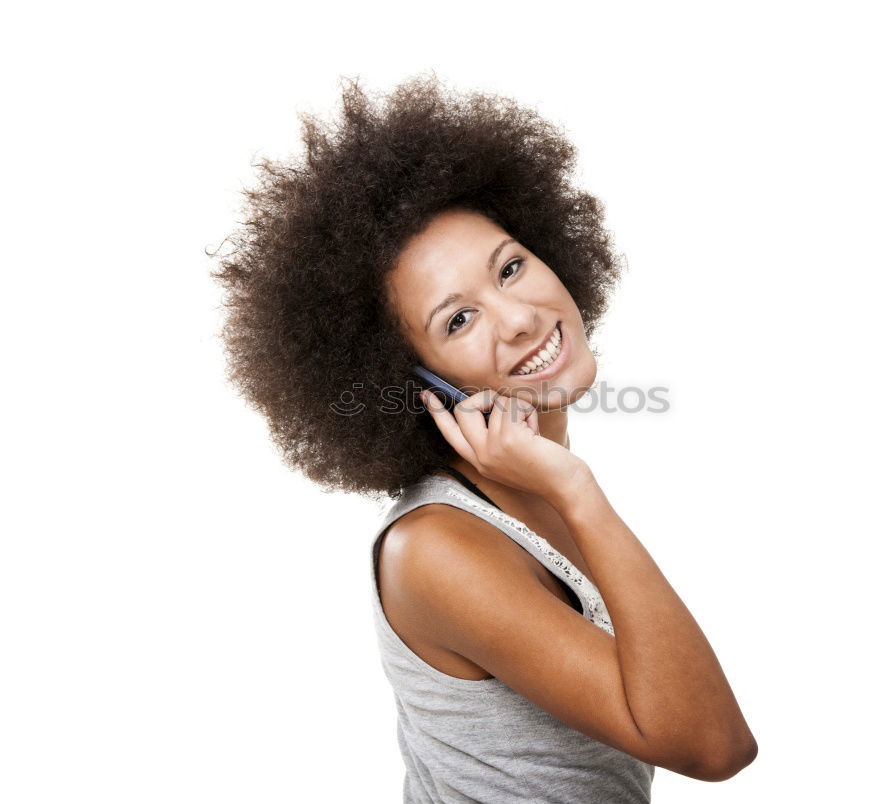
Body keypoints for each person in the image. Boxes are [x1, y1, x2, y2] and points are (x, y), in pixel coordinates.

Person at [211, 72, 757, 802]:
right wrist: (580, 492)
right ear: (416, 383)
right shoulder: (436, 549)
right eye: (457, 320)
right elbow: (713, 745)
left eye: (510, 267)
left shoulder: (525, 483)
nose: (521, 318)